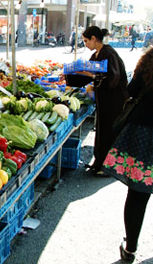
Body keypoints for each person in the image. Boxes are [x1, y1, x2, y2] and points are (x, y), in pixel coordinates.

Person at [102, 48, 153, 263]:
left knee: (137, 195)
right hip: (143, 135)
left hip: (143, 135)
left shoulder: (149, 62)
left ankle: (130, 249)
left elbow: (131, 90)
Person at [65, 26, 129, 176]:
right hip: (104, 100)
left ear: (94, 38)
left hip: (114, 100)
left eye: (86, 41)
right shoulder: (96, 55)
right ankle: (99, 163)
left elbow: (112, 80)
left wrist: (93, 77)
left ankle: (109, 168)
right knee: (102, 131)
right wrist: (68, 76)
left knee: (110, 132)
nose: (85, 44)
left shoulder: (109, 54)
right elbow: (86, 75)